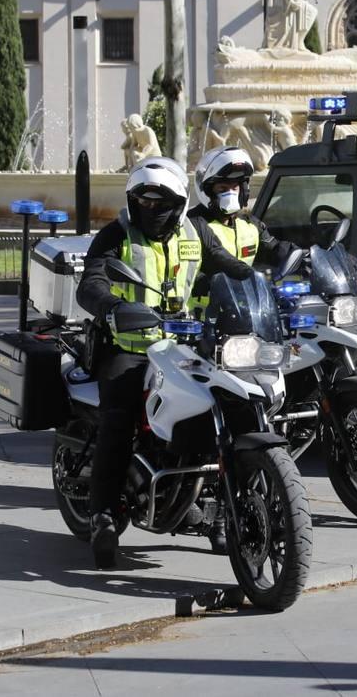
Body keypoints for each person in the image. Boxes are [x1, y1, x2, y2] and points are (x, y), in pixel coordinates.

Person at [75, 157, 249, 568]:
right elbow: (91, 284)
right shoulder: (117, 234)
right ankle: (103, 515)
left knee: (228, 405)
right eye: (143, 201)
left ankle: (222, 510)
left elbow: (229, 267)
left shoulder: (197, 232)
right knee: (118, 418)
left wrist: (266, 282)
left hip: (183, 348)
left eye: (161, 202)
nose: (150, 210)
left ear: (180, 202)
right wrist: (112, 307)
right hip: (128, 348)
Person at [188, 146, 296, 274]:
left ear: (243, 191)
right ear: (208, 191)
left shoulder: (250, 224)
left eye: (235, 188)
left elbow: (274, 249)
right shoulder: (194, 224)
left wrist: (299, 256)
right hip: (208, 294)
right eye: (223, 189)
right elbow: (217, 255)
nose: (230, 194)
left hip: (247, 293)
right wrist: (247, 274)